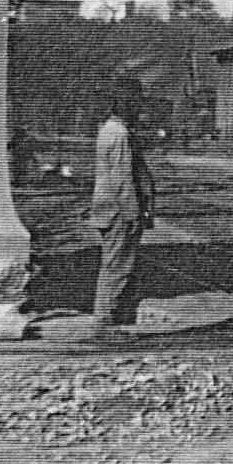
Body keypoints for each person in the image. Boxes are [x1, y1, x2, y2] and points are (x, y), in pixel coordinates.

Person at [90, 104, 156, 336]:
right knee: (118, 268)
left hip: (110, 209)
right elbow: (122, 179)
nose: (140, 110)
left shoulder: (110, 130)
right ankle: (107, 325)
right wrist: (132, 213)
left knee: (114, 266)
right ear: (126, 106)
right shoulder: (119, 134)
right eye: (136, 103)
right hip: (118, 211)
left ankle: (111, 321)